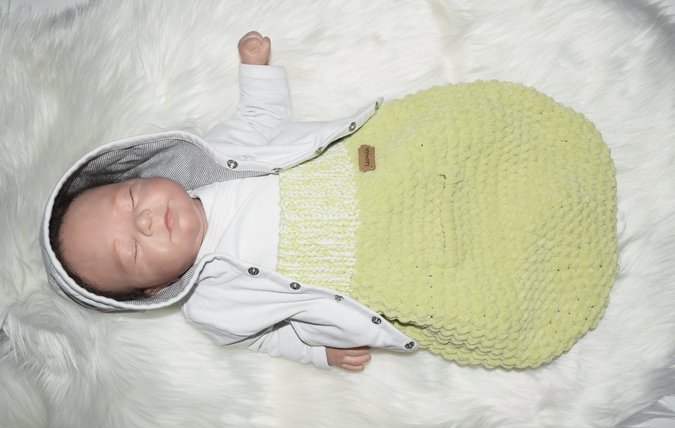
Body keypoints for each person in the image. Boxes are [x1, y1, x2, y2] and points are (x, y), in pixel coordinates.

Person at [41, 31, 418, 371]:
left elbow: (260, 118)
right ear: (154, 290)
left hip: (372, 172)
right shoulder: (212, 306)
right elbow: (265, 336)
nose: (143, 221)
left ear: (137, 174)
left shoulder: (219, 155)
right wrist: (317, 353)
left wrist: (255, 70)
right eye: (132, 251)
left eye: (130, 198)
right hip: (382, 259)